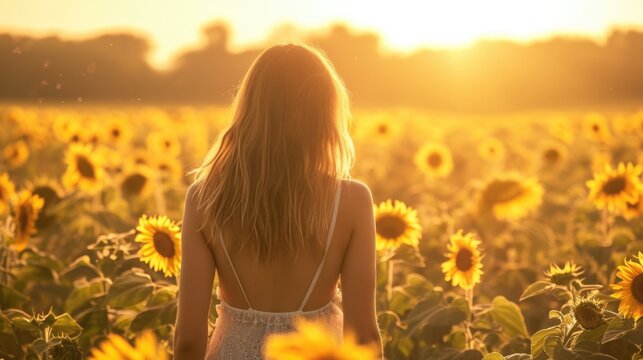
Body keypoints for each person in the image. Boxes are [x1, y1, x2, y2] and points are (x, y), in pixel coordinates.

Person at [173, 43, 382, 360]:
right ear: (324, 115)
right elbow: (363, 334)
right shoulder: (352, 202)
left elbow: (189, 339)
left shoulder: (204, 198)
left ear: (249, 109)